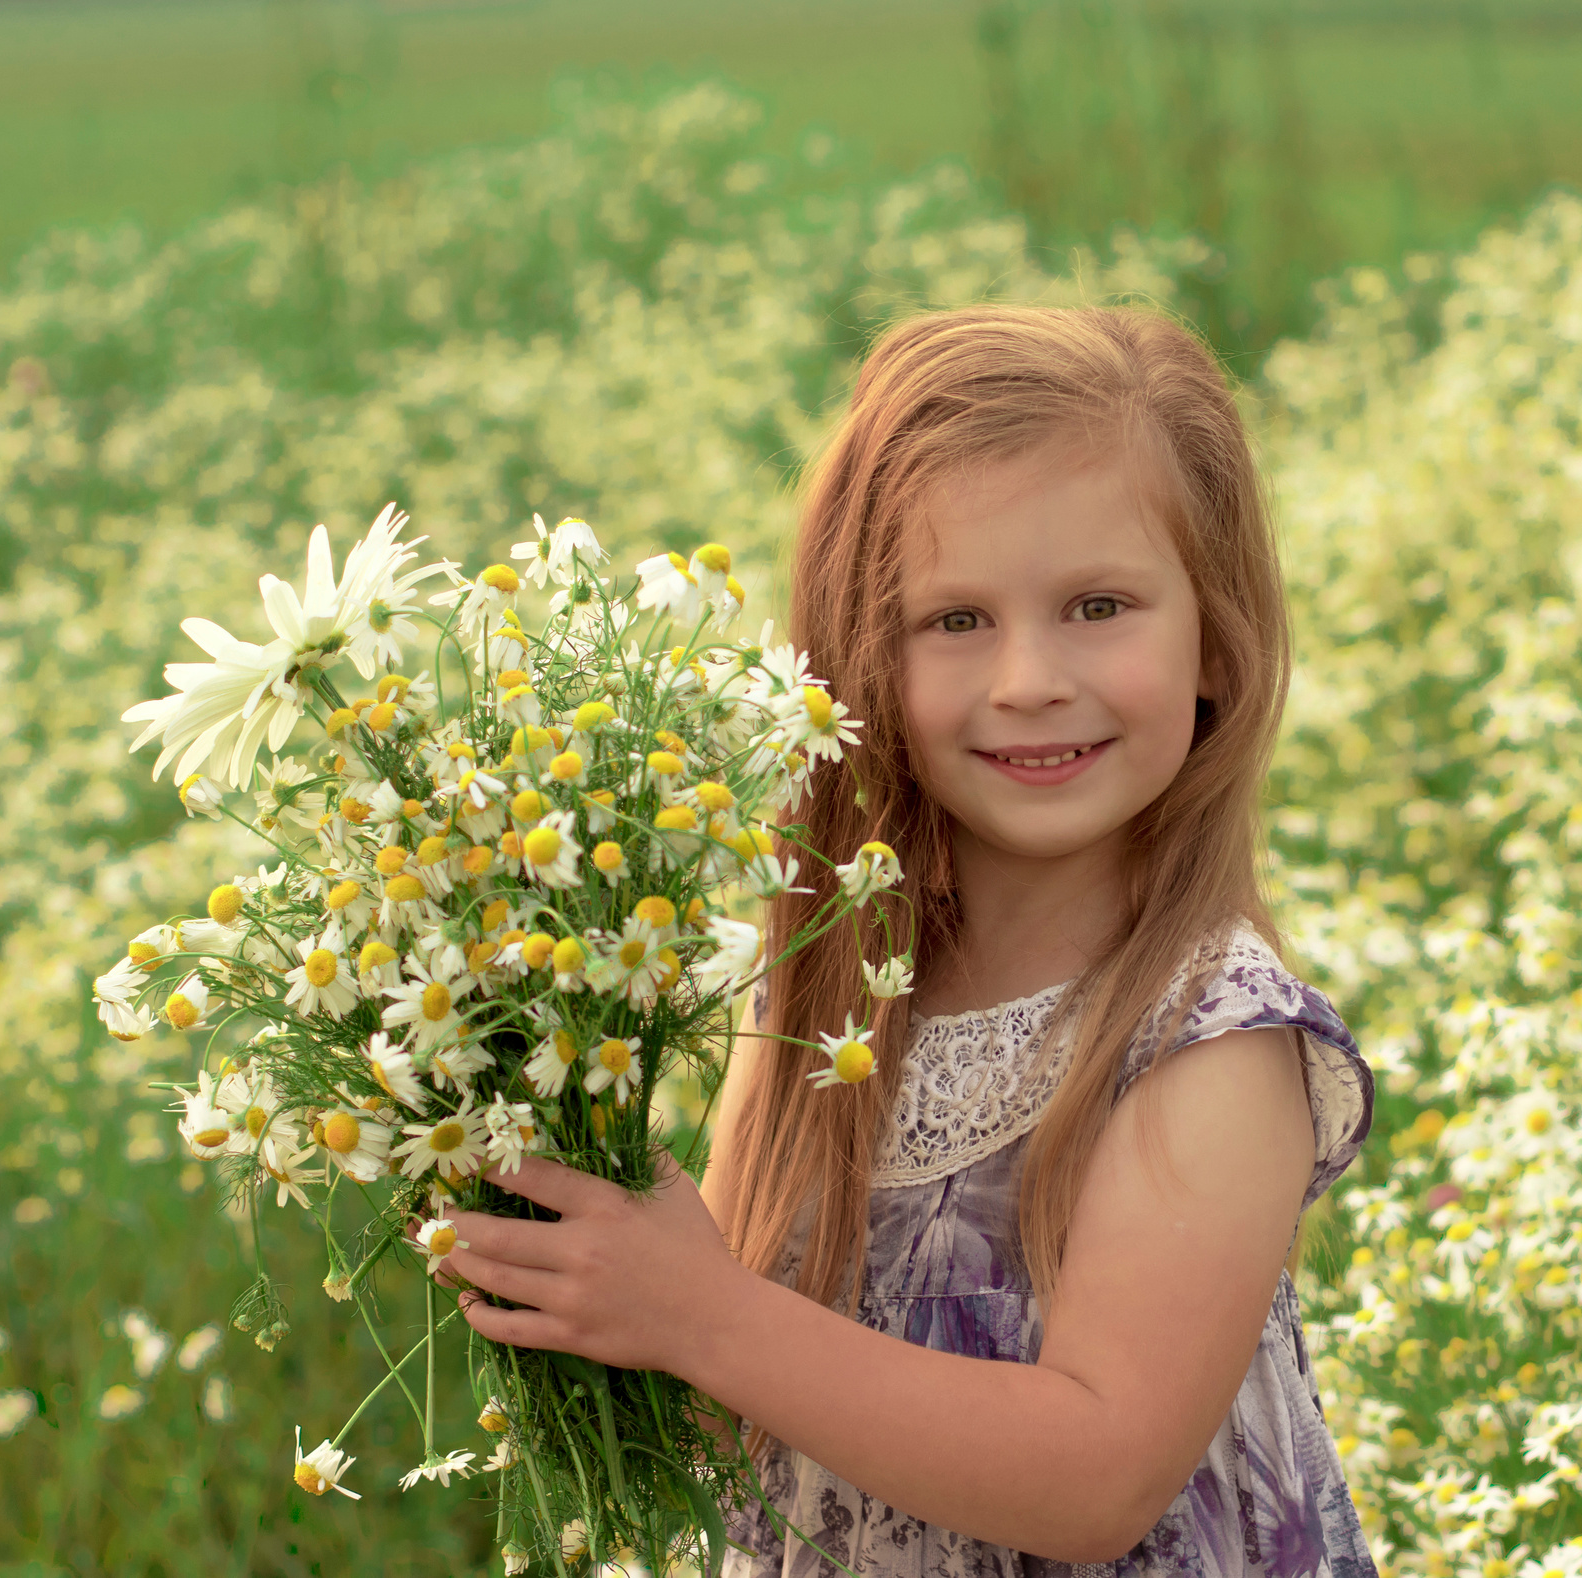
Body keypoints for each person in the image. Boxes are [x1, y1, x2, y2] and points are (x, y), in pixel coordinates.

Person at [432, 303, 1378, 1577]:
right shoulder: (828, 996)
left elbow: (1095, 1480)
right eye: (956, 620)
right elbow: (739, 1415)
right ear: (862, 666)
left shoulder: (1210, 1039)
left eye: (1098, 605)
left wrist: (700, 1314)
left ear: (1217, 638)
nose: (1029, 679)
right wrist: (570, 1240)